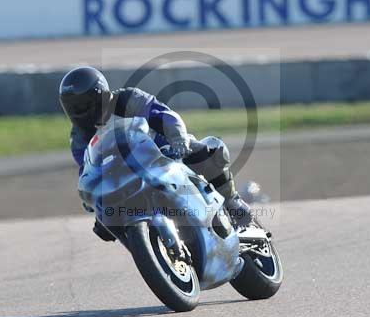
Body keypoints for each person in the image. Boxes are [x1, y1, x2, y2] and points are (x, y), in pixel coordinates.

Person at [58, 66, 253, 241]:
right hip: (126, 175)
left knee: (207, 151)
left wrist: (178, 140)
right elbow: (88, 169)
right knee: (107, 222)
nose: (79, 112)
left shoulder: (128, 99)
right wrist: (92, 199)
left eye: (83, 104)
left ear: (99, 95)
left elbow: (165, 116)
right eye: (73, 107)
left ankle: (232, 202)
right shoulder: (79, 138)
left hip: (164, 150)